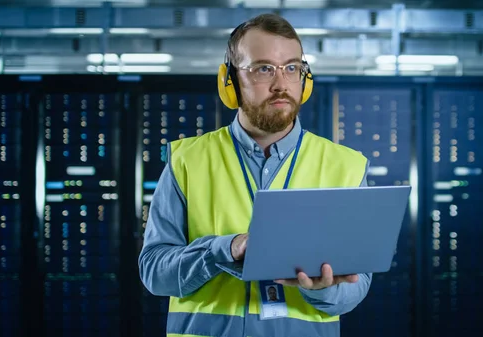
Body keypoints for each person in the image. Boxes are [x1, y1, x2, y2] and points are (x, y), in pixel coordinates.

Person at [138, 13, 372, 337]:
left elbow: (356, 287)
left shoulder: (345, 167)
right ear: (229, 82)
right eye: (264, 69)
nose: (281, 84)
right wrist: (224, 249)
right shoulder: (187, 161)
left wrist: (321, 288)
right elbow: (154, 272)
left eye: (292, 68)